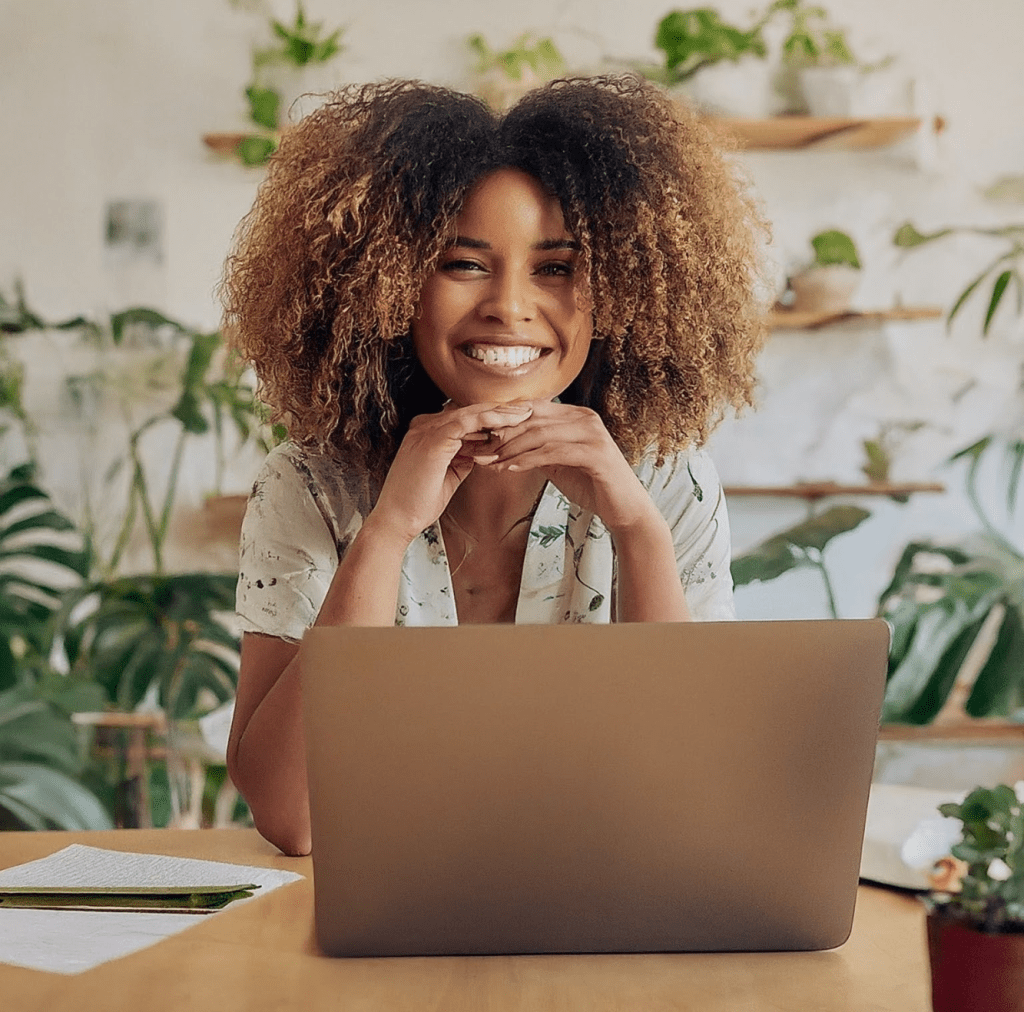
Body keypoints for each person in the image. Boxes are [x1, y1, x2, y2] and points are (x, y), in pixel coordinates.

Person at [220, 75, 768, 854]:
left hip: (605, 914)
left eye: (555, 267)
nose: (510, 307)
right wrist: (386, 532)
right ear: (387, 284)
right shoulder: (310, 483)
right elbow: (294, 821)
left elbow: (685, 799)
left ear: (621, 292)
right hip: (376, 927)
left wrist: (637, 529)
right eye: (463, 263)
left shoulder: (667, 481)